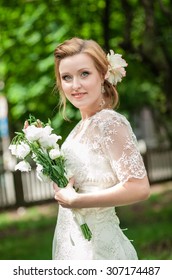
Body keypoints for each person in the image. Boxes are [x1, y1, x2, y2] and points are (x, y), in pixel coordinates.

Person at [52, 37, 150, 260]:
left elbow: (139, 188)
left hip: (101, 252)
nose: (75, 85)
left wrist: (77, 201)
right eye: (67, 77)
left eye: (84, 74)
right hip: (75, 247)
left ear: (102, 75)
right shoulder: (79, 129)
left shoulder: (110, 123)